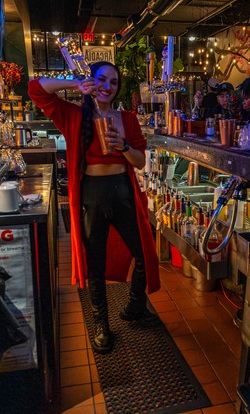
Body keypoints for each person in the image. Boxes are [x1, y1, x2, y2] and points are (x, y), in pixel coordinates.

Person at [28, 62, 161, 354]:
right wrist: (75, 84)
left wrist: (124, 146)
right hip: (92, 195)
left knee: (144, 251)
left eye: (113, 82)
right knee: (95, 262)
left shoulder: (126, 118)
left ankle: (135, 306)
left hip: (123, 193)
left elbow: (140, 161)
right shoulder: (76, 114)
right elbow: (35, 88)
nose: (107, 87)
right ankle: (102, 324)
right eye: (102, 79)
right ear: (92, 80)